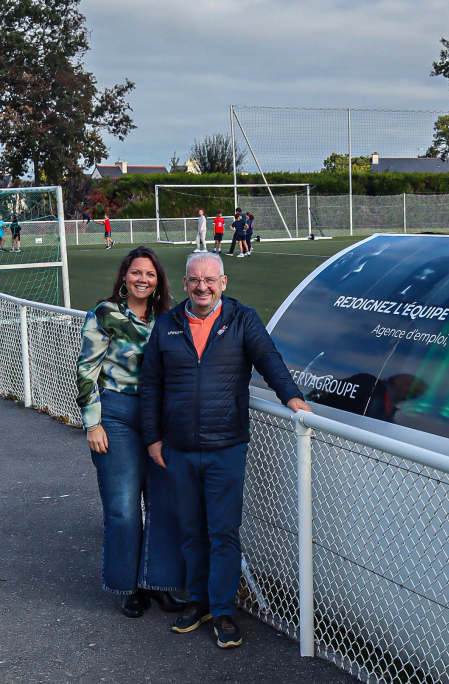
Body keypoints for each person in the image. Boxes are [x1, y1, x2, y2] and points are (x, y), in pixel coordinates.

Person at [140, 252, 311, 649]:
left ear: (223, 282)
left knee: (223, 532)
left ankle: (222, 610)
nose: (202, 287)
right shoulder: (167, 325)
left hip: (226, 447)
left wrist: (292, 397)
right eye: (195, 280)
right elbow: (150, 386)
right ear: (185, 283)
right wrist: (153, 438)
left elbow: (269, 360)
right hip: (179, 448)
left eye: (210, 280)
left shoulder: (243, 319)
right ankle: (198, 600)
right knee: (191, 530)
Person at [75, 246, 185, 618]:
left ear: (158, 280)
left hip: (161, 419)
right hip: (116, 415)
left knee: (164, 504)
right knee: (123, 507)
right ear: (125, 275)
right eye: (136, 272)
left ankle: (159, 583)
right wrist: (93, 423)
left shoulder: (168, 317)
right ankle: (129, 586)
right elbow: (86, 370)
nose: (143, 279)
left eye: (150, 274)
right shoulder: (104, 314)